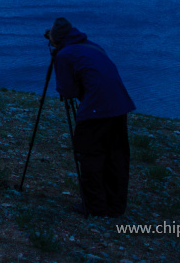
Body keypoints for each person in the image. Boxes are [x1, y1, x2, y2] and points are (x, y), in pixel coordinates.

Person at [46, 17, 135, 218]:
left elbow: (67, 91)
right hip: (119, 105)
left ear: (57, 39)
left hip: (96, 108)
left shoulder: (65, 54)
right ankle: (115, 206)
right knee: (116, 156)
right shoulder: (93, 47)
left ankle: (95, 207)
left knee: (90, 155)